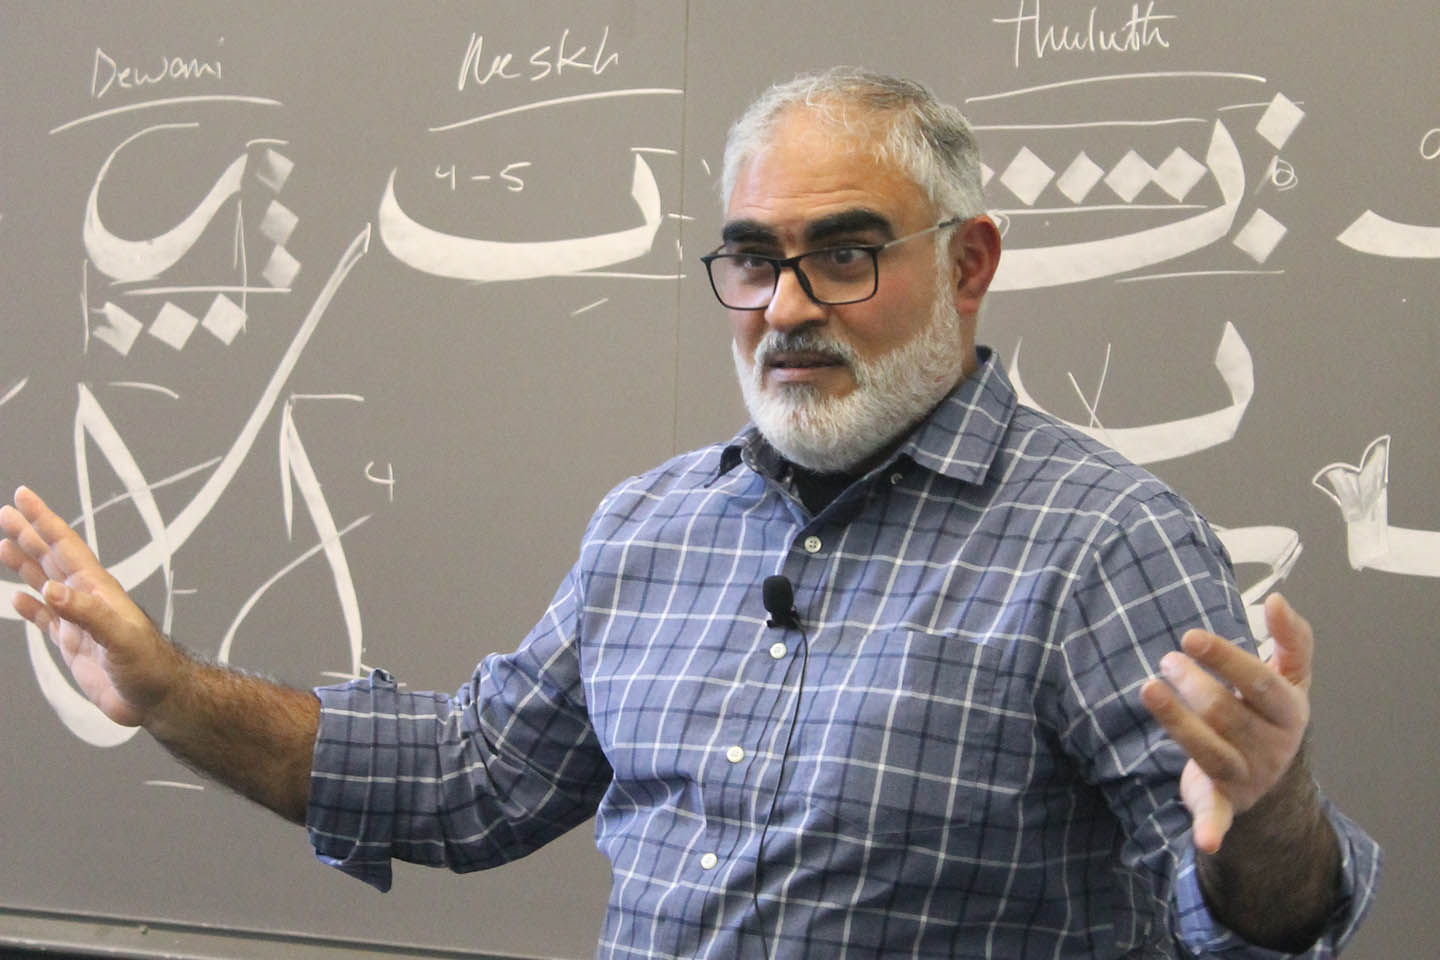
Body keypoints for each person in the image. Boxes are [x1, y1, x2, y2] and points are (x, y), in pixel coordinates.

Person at [2, 68, 1378, 959]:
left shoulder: (1104, 546)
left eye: (844, 254)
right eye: (752, 259)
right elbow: (468, 779)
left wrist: (1266, 816)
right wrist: (168, 688)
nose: (784, 308)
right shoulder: (654, 528)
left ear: (969, 265)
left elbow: (1261, 925)